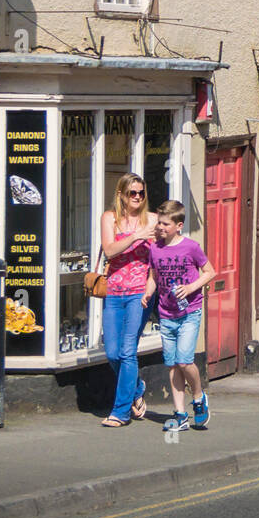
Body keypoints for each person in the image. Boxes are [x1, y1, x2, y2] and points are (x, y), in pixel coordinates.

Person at [145, 200, 216, 432]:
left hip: (189, 312)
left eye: (165, 224)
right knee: (173, 366)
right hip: (166, 314)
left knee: (185, 360)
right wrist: (147, 294)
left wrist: (191, 287)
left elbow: (210, 272)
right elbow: (154, 277)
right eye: (159, 223)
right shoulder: (155, 248)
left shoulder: (191, 247)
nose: (161, 227)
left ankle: (198, 396)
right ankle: (181, 415)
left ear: (179, 225)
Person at [98, 174, 157, 427]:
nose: (137, 197)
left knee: (127, 351)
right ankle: (136, 388)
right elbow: (110, 250)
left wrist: (149, 289)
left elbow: (158, 259)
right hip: (113, 292)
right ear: (121, 194)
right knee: (112, 352)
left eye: (141, 193)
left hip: (139, 294)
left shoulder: (153, 220)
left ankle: (120, 412)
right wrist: (136, 236)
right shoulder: (109, 218)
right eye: (132, 193)